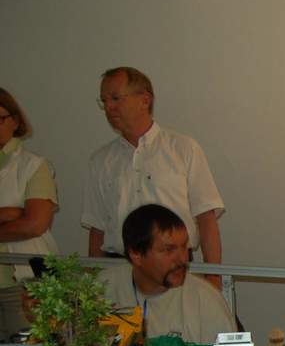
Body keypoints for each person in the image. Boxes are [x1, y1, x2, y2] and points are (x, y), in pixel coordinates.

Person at [83, 66, 225, 289]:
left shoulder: (184, 149)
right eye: (104, 101)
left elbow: (206, 218)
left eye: (115, 98)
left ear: (145, 100)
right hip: (119, 274)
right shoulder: (100, 161)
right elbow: (97, 229)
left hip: (175, 270)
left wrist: (213, 278)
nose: (108, 107)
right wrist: (94, 285)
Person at [98, 204, 235, 344]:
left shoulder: (206, 300)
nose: (182, 259)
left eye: (184, 247)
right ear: (136, 254)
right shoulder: (101, 290)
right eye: (169, 250)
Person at [0, 88, 59, 340]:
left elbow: (35, 224)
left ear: (15, 121)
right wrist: (11, 213)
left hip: (23, 286)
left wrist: (22, 217)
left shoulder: (33, 165)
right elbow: (23, 220)